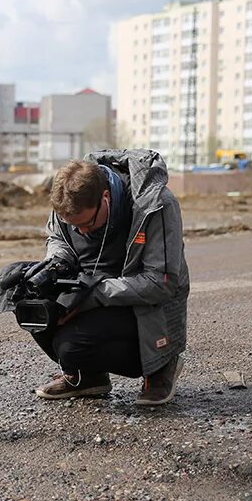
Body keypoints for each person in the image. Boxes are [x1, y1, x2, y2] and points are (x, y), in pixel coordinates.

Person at [25, 149, 189, 405]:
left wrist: (96, 292)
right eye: (73, 225)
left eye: (87, 224)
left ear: (105, 198)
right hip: (90, 293)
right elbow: (58, 238)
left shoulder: (156, 204)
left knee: (73, 345)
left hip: (142, 306)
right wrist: (57, 264)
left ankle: (161, 365)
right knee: (28, 301)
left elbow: (162, 283)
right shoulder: (69, 200)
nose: (81, 231)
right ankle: (87, 377)